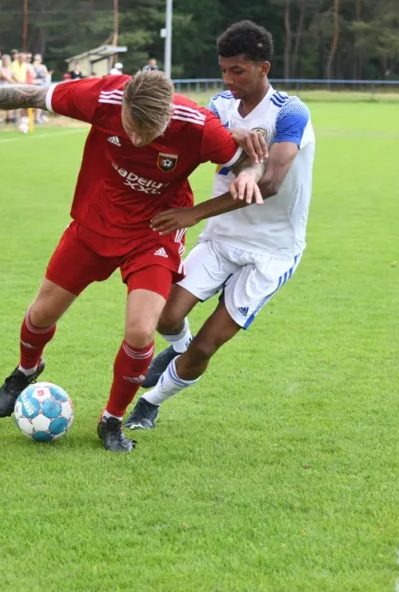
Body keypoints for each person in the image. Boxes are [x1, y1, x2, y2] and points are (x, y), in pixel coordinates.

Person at [0, 70, 268, 451]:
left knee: (140, 332)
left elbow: (246, 160)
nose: (136, 139)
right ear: (120, 106)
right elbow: (31, 94)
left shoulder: (199, 127)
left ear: (168, 117)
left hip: (153, 231)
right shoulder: (101, 96)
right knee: (41, 315)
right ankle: (27, 369)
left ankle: (112, 420)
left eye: (148, 133)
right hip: (93, 222)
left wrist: (249, 173)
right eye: (130, 128)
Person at [125, 21, 314, 431]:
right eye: (224, 70)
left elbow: (272, 182)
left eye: (238, 71)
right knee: (167, 316)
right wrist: (231, 132)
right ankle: (178, 347)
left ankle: (150, 404)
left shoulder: (291, 111)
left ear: (263, 67)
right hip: (223, 237)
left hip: (271, 250)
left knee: (209, 344)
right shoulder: (221, 105)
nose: (229, 80)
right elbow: (203, 140)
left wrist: (195, 213)